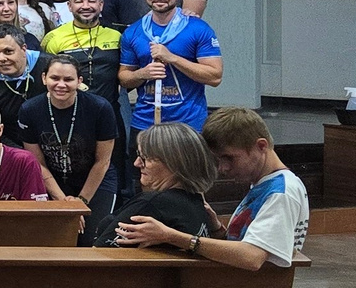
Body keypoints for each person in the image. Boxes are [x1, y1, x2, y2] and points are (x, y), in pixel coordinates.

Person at [118, 108, 308, 271]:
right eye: (218, 160)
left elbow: (252, 257)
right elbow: (252, 244)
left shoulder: (281, 192)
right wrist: (218, 229)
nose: (223, 168)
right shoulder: (266, 185)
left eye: (229, 158)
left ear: (261, 146)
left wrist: (171, 236)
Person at [119, 0, 222, 135]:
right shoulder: (133, 32)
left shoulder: (198, 28)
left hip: (187, 123)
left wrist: (172, 58)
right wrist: (142, 74)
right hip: (144, 123)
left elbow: (215, 77)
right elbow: (124, 78)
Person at [17, 55, 118, 222]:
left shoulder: (100, 108)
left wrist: (81, 202)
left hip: (95, 180)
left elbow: (103, 161)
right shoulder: (29, 110)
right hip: (52, 181)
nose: (61, 85)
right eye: (55, 78)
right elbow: (38, 163)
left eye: (68, 79)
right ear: (44, 78)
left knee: (93, 235)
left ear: (79, 81)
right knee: (56, 232)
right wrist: (62, 201)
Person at [88, 121, 216, 248]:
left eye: (145, 158)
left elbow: (99, 254)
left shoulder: (152, 204)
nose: (137, 163)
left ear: (173, 163)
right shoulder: (198, 204)